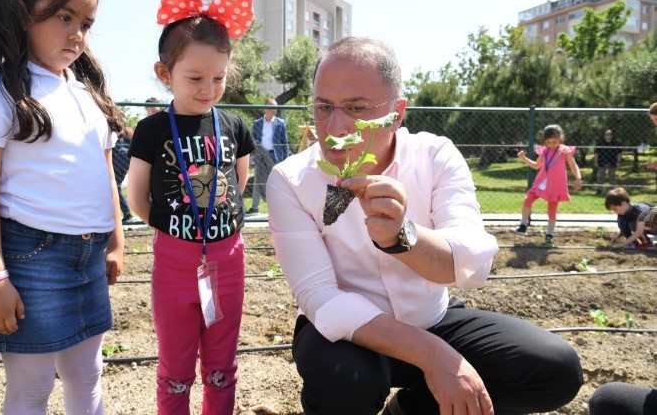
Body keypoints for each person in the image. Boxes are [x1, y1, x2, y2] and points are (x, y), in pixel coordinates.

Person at [266, 37, 583, 415]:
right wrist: (434, 355)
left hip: (433, 317)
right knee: (346, 382)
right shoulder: (290, 179)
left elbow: (472, 264)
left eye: (356, 108)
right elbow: (320, 296)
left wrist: (405, 238)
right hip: (347, 333)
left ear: (398, 113)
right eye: (323, 107)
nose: (334, 127)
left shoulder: (435, 156)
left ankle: (410, 409)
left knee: (555, 370)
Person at [0, 0, 125, 414]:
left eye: (86, 23)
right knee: (31, 388)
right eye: (65, 17)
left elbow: (105, 173)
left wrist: (116, 240)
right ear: (24, 11)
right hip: (32, 259)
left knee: (88, 375)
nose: (77, 34)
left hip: (88, 256)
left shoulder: (86, 94)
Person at [126, 0, 255, 415]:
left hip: (228, 259)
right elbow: (136, 195)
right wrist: (174, 229)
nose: (208, 88)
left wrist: (212, 229)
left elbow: (239, 182)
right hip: (175, 261)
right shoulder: (153, 129)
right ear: (165, 75)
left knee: (222, 363)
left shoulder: (234, 126)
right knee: (175, 366)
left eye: (218, 77)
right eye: (195, 77)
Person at [515, 124, 583, 244]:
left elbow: (573, 165)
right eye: (549, 142)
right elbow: (537, 165)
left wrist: (578, 178)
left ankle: (549, 234)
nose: (551, 144)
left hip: (555, 185)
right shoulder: (544, 150)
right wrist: (524, 159)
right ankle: (523, 225)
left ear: (560, 138)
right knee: (528, 199)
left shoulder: (564, 150)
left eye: (554, 142)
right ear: (544, 141)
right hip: (541, 182)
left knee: (552, 208)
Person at [247, 98, 290, 214]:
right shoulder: (258, 123)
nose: (274, 110)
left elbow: (284, 142)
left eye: (276, 107)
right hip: (260, 155)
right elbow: (253, 139)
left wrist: (286, 159)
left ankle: (280, 206)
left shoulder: (280, 123)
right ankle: (255, 207)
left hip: (274, 155)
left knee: (277, 180)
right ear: (265, 108)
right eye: (272, 107)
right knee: (257, 180)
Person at [113, 125, 135, 223]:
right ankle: (126, 213)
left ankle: (126, 213)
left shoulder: (116, 132)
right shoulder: (126, 132)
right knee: (116, 187)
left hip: (118, 161)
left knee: (116, 187)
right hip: (125, 161)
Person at [594, 129, 622, 194]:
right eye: (607, 134)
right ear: (604, 135)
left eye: (610, 134)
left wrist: (618, 161)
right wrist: (596, 161)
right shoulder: (600, 143)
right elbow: (596, 153)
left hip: (612, 162)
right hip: (602, 162)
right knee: (600, 176)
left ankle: (614, 191)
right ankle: (599, 190)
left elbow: (619, 153)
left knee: (612, 177)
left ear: (612, 135)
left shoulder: (616, 143)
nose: (609, 136)